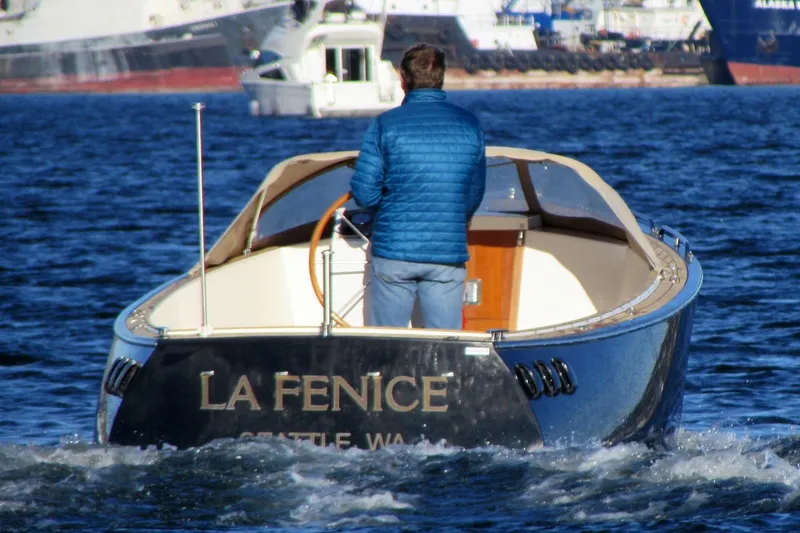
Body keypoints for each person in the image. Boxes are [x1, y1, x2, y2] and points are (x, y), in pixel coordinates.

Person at [350, 43, 486, 330]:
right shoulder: (469, 125)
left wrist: (389, 211)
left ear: (402, 78)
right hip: (447, 251)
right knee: (446, 346)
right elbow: (473, 194)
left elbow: (364, 193)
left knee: (390, 344)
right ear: (442, 76)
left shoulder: (385, 125)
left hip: (394, 249)